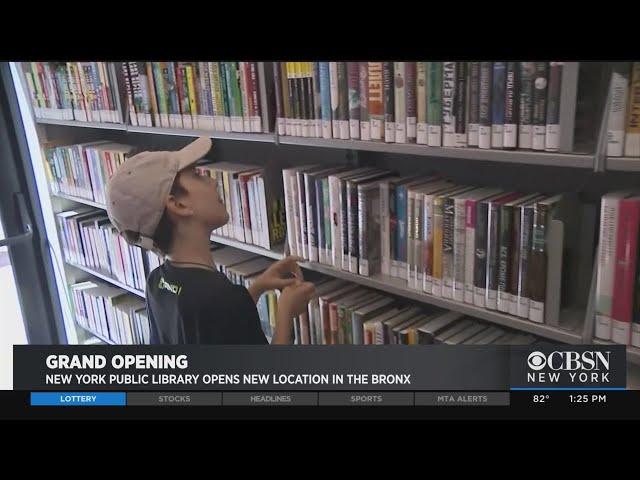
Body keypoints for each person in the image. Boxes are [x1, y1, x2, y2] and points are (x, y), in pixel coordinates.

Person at [105, 136, 315, 344]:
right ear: (178, 205)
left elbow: (215, 328)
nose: (213, 181)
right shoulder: (222, 298)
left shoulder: (156, 283)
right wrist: (286, 312)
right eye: (197, 175)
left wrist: (257, 288)